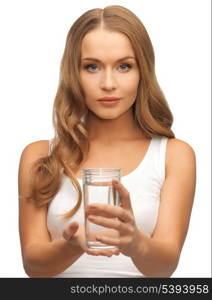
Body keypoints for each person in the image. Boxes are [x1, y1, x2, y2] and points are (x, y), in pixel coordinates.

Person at [18, 5, 196, 278]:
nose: (108, 83)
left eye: (124, 66)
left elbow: (165, 268)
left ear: (142, 72)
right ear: (73, 73)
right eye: (92, 67)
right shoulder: (40, 156)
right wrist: (72, 247)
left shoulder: (173, 155)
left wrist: (135, 242)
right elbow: (33, 266)